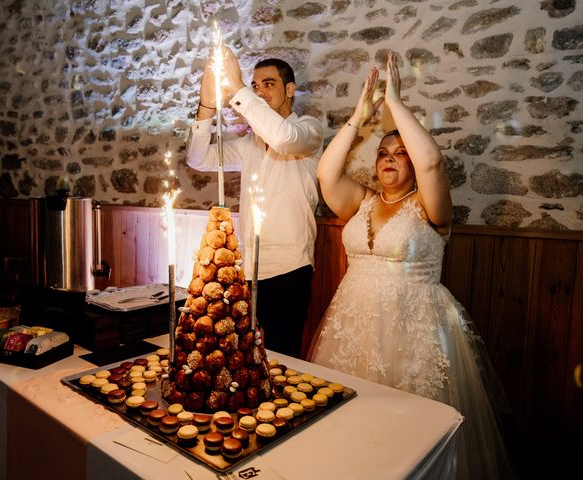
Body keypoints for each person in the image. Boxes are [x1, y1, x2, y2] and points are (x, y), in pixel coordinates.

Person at [309, 52, 516, 479]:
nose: (389, 157)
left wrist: (396, 105)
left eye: (400, 152)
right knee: (349, 427)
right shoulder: (361, 202)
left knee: (409, 435)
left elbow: (432, 162)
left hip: (412, 330)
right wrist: (358, 117)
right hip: (353, 328)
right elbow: (326, 175)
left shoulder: (429, 207)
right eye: (383, 152)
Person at [186, 47, 324, 358]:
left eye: (268, 83)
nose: (258, 90)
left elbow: (283, 138)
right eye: (255, 84)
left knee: (282, 357)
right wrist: (207, 106)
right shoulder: (248, 143)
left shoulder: (308, 130)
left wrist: (237, 88)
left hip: (290, 267)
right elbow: (198, 159)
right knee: (240, 358)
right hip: (245, 268)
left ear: (290, 89)